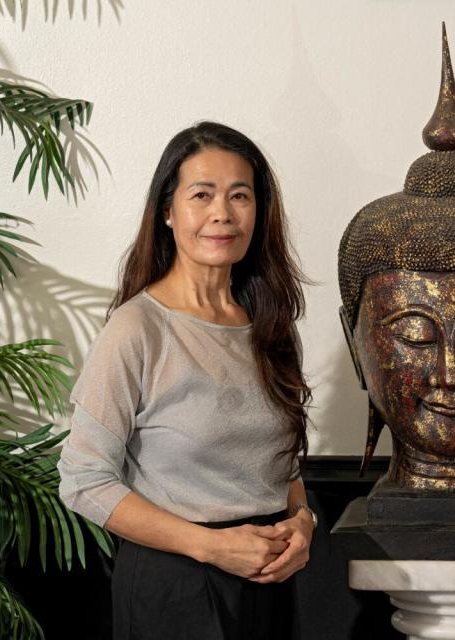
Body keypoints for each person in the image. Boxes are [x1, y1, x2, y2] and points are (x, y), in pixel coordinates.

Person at [58, 121, 314, 640]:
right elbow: (82, 480)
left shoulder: (270, 326)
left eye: (240, 195)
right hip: (175, 587)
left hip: (269, 584)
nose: (222, 213)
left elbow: (280, 465)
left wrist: (304, 522)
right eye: (203, 194)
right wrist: (210, 546)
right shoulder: (137, 329)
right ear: (168, 212)